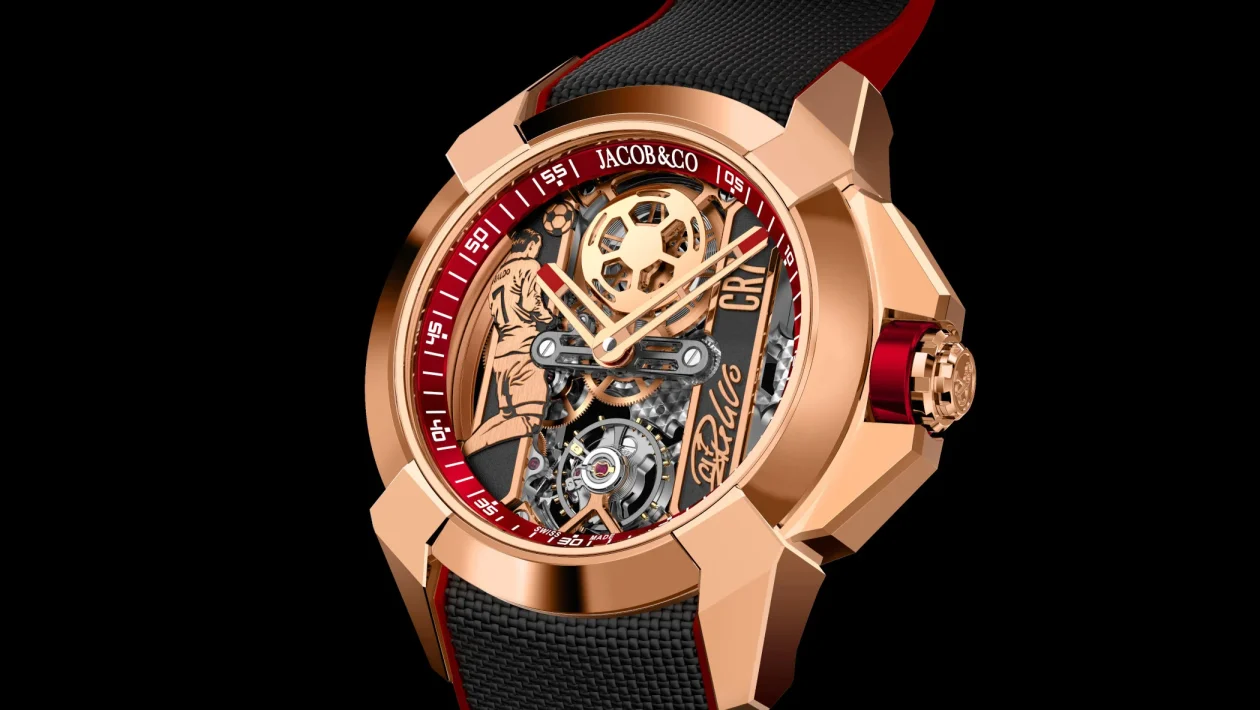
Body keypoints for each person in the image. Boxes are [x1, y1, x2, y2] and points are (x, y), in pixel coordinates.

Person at [463, 228, 556, 455]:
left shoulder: (498, 276)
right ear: (531, 246)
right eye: (536, 247)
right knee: (530, 421)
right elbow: (532, 303)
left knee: (506, 415)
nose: (537, 252)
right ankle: (474, 446)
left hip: (502, 353)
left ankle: (467, 448)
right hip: (524, 348)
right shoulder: (529, 265)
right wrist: (551, 319)